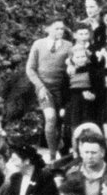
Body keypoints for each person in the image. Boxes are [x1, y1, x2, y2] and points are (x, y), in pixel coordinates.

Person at [26, 17, 79, 157]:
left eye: (62, 28)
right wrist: (40, 87)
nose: (60, 31)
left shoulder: (68, 46)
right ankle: (52, 155)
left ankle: (62, 150)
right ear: (47, 29)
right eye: (56, 28)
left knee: (60, 123)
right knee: (50, 118)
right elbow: (30, 69)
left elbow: (75, 64)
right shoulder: (38, 44)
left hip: (62, 90)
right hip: (43, 89)